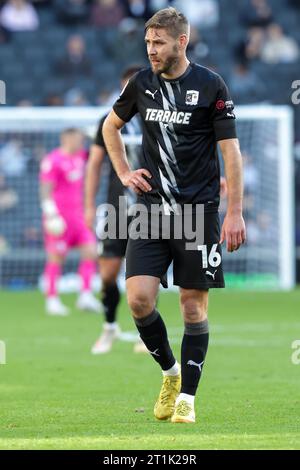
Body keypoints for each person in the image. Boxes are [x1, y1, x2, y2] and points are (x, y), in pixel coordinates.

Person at [103, 7, 246, 423]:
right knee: (139, 300)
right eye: (147, 43)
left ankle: (188, 398)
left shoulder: (210, 85)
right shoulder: (140, 85)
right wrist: (125, 173)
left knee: (191, 308)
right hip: (150, 211)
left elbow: (230, 152)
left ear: (181, 42)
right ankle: (170, 372)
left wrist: (234, 212)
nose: (151, 50)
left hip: (198, 213)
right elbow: (110, 127)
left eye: (158, 43)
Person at [85, 65, 148, 354]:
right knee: (108, 274)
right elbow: (94, 165)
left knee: (146, 273)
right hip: (116, 209)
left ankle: (145, 336)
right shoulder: (107, 120)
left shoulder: (155, 118)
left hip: (150, 206)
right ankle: (109, 326)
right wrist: (88, 205)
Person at [40, 128, 101, 316]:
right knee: (56, 257)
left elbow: (100, 150)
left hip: (79, 216)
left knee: (91, 251)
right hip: (59, 217)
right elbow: (44, 190)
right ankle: (52, 299)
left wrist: (93, 134)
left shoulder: (82, 156)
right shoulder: (53, 160)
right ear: (65, 139)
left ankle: (85, 295)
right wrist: (51, 214)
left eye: (81, 139)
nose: (80, 142)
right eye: (77, 139)